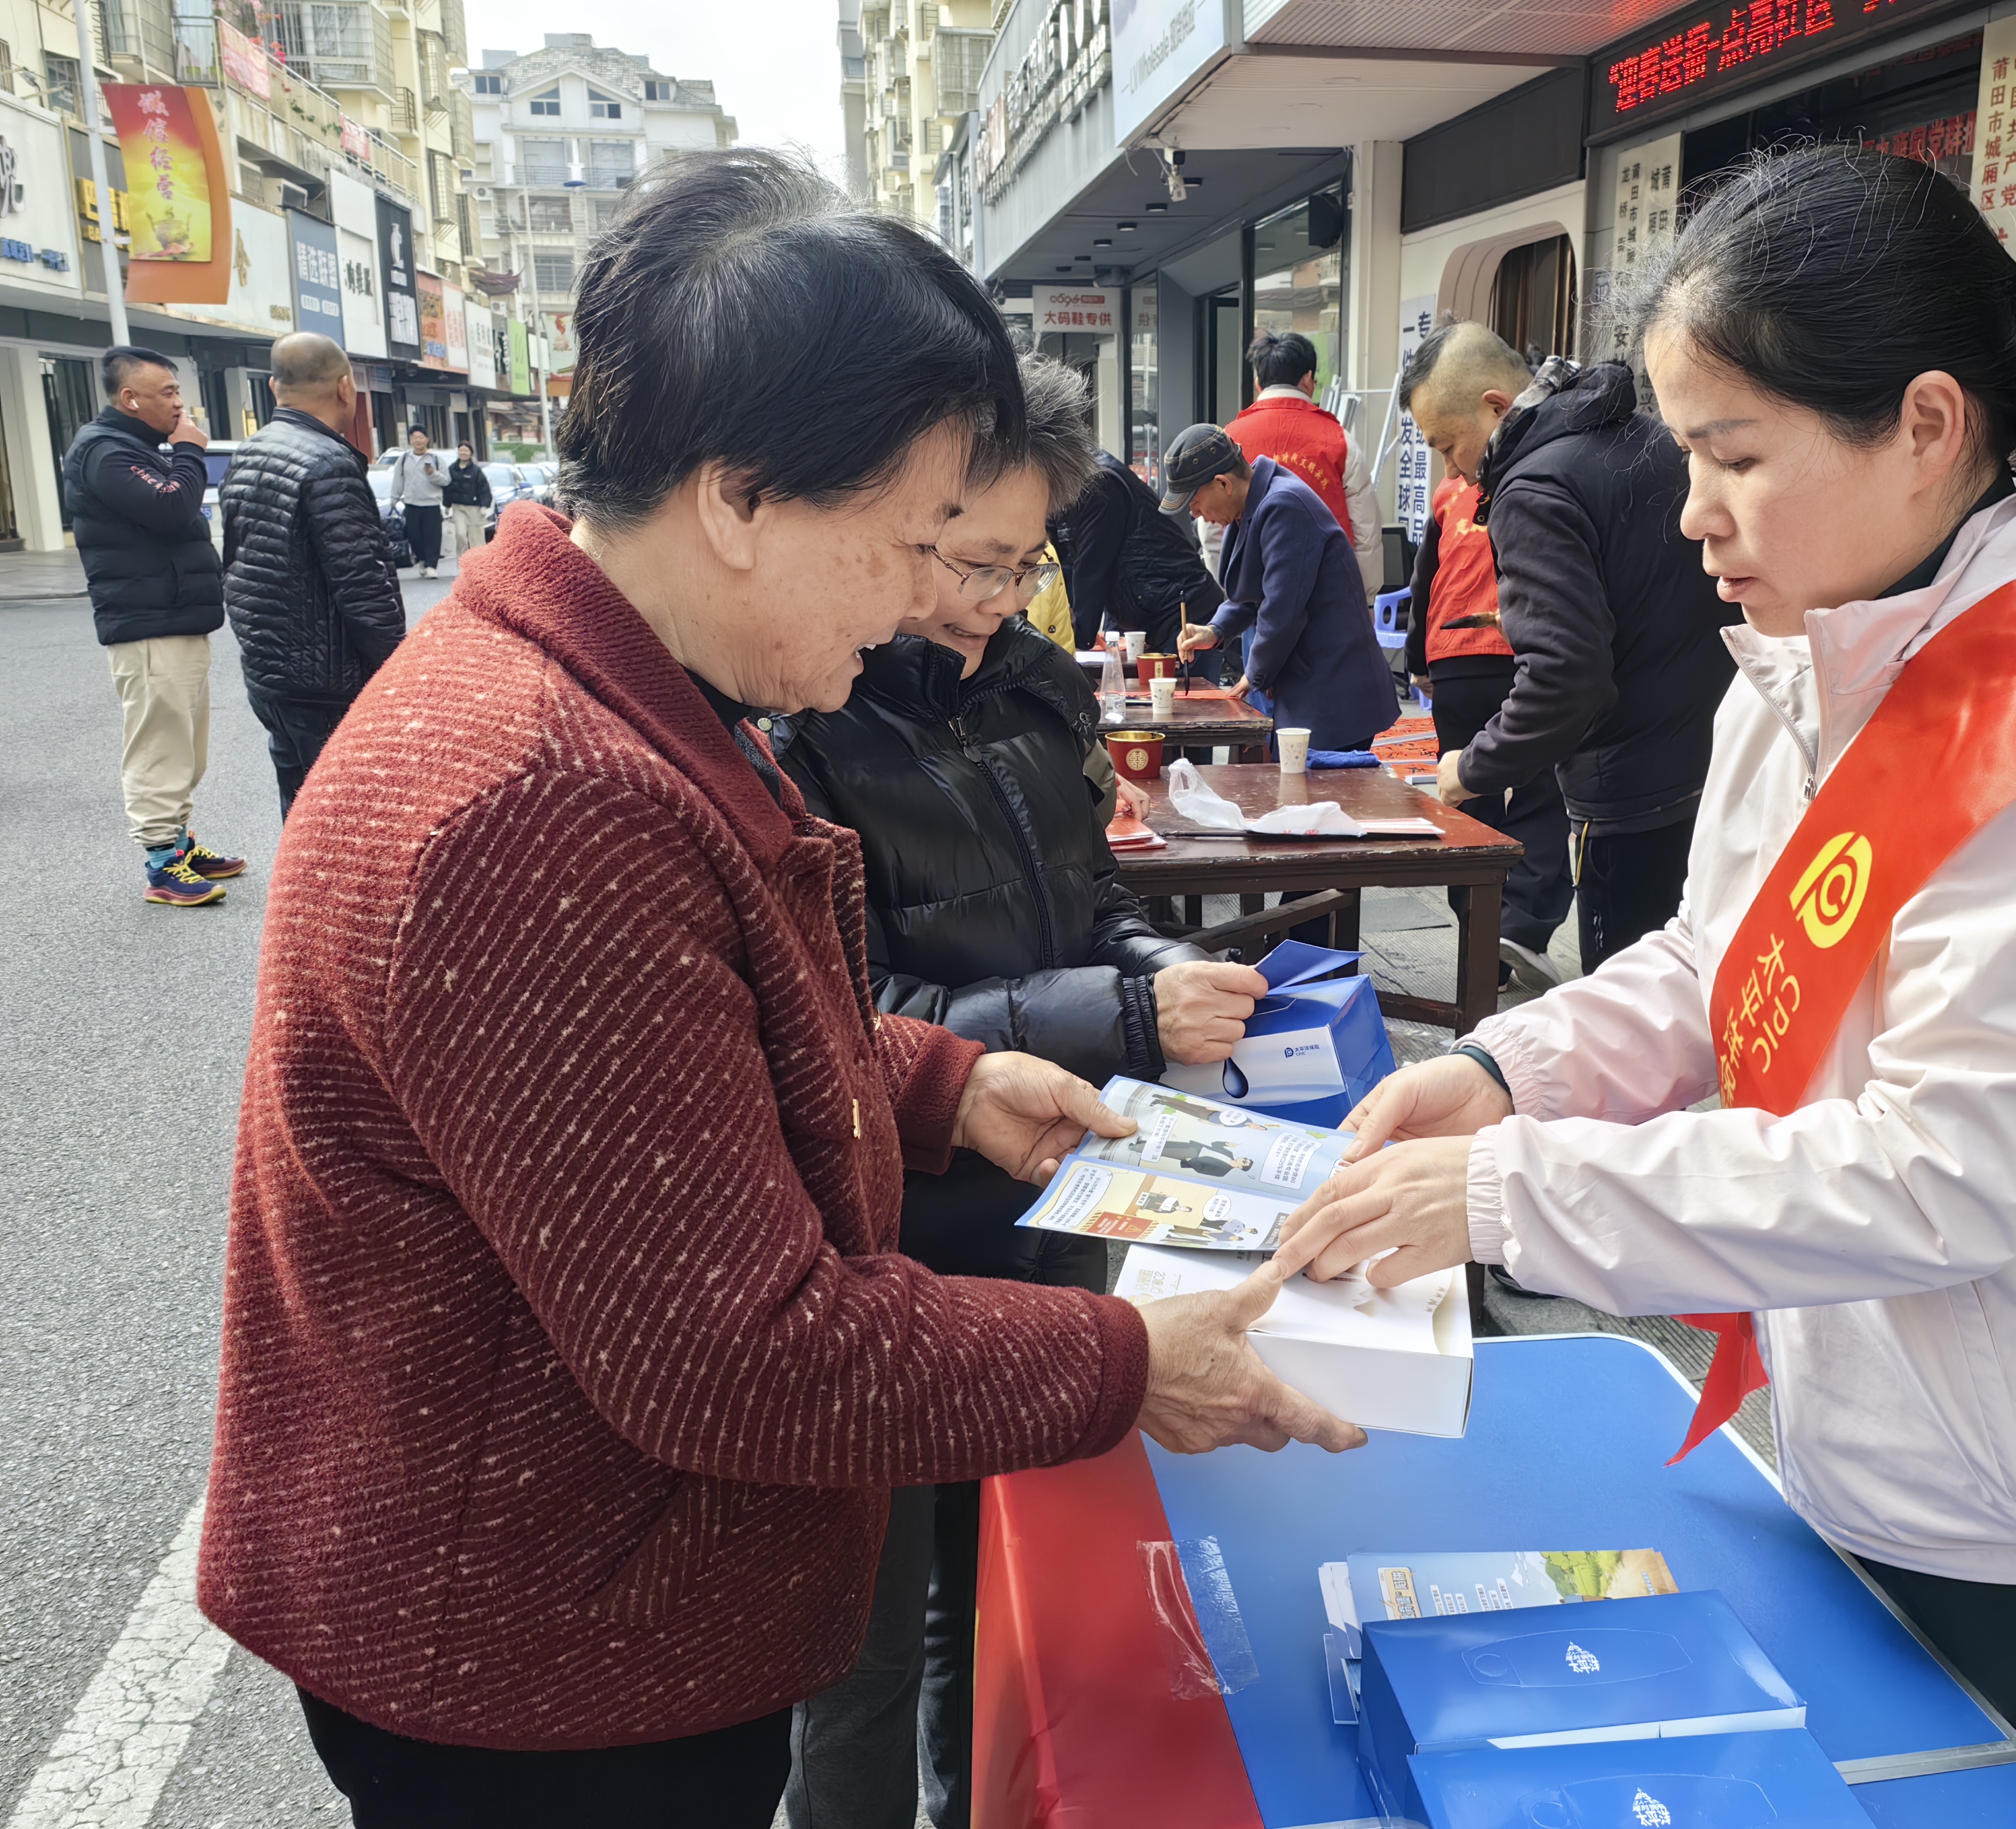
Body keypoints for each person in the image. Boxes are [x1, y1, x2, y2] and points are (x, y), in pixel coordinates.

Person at [199, 149, 1360, 1829]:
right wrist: (1125, 1360)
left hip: (554, 1593)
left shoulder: (584, 692)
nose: (917, 606)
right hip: (540, 1664)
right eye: (903, 544)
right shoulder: (543, 796)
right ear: (735, 497)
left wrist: (935, 1080)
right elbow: (738, 1354)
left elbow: (655, 1063)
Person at [1279, 147, 2016, 1829]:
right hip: (1877, 1433)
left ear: (1925, 425)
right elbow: (1718, 958)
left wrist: (1499, 1194)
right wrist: (1507, 1076)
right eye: (1688, 454)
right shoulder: (1818, 634)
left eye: (1734, 456)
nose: (1693, 512)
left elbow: (1945, 1169)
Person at [779, 352, 1271, 1829]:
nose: (990, 600)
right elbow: (836, 1016)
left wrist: (1152, 974)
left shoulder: (1044, 685)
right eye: (962, 559)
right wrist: (1118, 1002)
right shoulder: (806, 705)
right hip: (883, 1235)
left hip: (1058, 1191)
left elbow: (1087, 892)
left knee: (1016, 1573)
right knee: (861, 1638)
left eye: (1020, 563)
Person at [1401, 321, 1735, 973]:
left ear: (1494, 407)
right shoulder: (1641, 437)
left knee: (1631, 1000)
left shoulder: (1532, 488)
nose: (1451, 468)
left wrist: (1471, 768)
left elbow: (1566, 676)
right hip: (1713, 754)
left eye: (1448, 444)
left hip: (1631, 785)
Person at [63, 344, 246, 907]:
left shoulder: (137, 447)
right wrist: (190, 452)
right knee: (158, 748)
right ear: (130, 398)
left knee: (187, 747)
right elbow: (170, 508)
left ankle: (180, 843)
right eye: (167, 392)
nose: (179, 403)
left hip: (176, 616)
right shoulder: (105, 453)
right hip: (146, 624)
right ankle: (161, 865)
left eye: (177, 390)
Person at [218, 332, 406, 817]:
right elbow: (364, 586)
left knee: (300, 806)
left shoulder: (250, 452)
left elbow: (237, 562)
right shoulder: (329, 464)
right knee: (348, 818)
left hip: (271, 673)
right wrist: (400, 672)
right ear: (347, 388)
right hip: (329, 680)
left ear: (275, 388)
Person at [1403, 467, 1573, 990]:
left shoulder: (1451, 492)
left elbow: (1424, 580)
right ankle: (1519, 926)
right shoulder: (1545, 482)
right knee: (1540, 791)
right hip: (1519, 651)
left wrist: (1418, 660)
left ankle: (1482, 942)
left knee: (1466, 797)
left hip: (1453, 655)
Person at [1169, 424, 1399, 753]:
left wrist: (1255, 675)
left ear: (1223, 484)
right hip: (1308, 681)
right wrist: (1215, 630)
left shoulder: (1284, 505)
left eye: (1195, 503)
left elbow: (1282, 607)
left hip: (1332, 688)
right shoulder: (1252, 506)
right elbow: (1251, 593)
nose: (1196, 516)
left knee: (1319, 797)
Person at [1207, 329, 1384, 593]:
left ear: (1258, 383)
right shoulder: (1340, 440)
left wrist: (1229, 597)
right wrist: (1366, 597)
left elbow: (1212, 533)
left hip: (1255, 597)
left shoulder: (1226, 441)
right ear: (1309, 380)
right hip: (1328, 595)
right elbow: (1366, 531)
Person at [1045, 444, 1223, 664]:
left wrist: (1077, 637)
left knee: (1179, 695)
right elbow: (1060, 562)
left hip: (1182, 612)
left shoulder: (1097, 484)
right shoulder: (1060, 485)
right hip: (1143, 610)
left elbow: (1092, 568)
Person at [388, 426, 445, 576]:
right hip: (411, 503)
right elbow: (398, 479)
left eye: (421, 437)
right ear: (411, 440)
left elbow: (446, 480)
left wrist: (434, 474)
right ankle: (422, 560)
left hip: (431, 504)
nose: (418, 441)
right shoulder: (404, 458)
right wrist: (394, 497)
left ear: (427, 440)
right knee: (414, 537)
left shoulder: (435, 459)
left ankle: (432, 566)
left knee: (432, 537)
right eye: (415, 438)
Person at [442, 440, 491, 561]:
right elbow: (447, 488)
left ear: (471, 453)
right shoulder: (452, 469)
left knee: (477, 539)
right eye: (461, 451)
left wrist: (484, 506)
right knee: (460, 535)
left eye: (466, 451)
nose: (463, 453)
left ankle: (480, 564)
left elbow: (484, 489)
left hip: (474, 508)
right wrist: (447, 506)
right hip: (458, 508)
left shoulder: (476, 471)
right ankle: (462, 562)